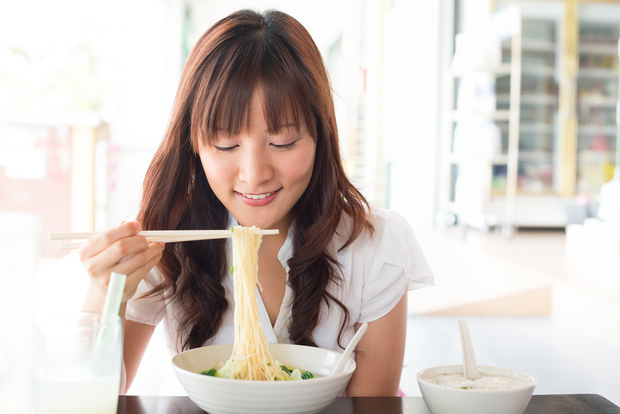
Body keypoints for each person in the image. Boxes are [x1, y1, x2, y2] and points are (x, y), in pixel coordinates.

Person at [79, 9, 433, 396]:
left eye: (282, 143)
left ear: (320, 135)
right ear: (193, 145)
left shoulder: (376, 245)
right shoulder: (163, 241)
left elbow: (370, 405)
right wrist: (104, 293)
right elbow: (91, 395)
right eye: (227, 145)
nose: (254, 174)